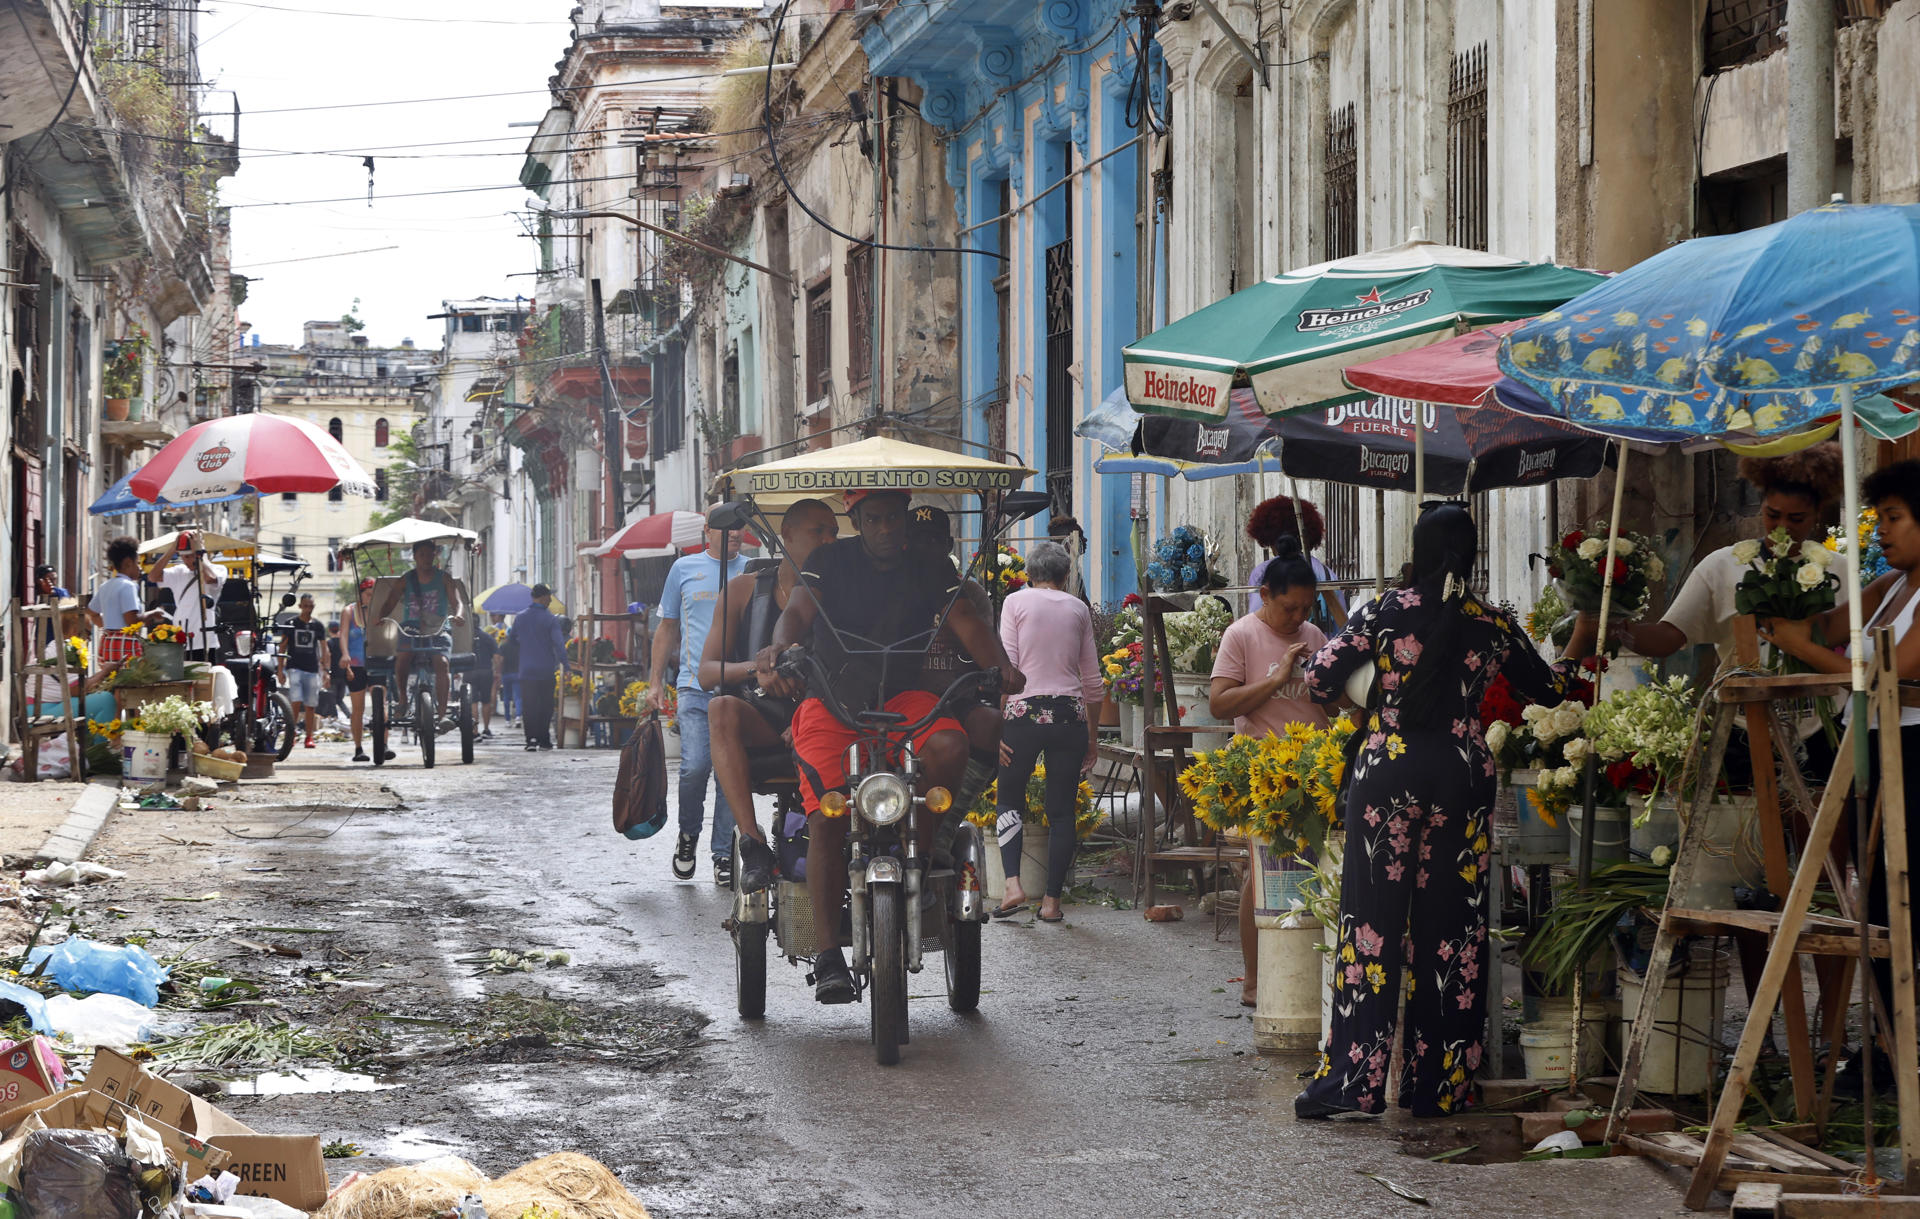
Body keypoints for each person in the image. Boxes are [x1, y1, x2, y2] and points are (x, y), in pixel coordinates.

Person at [1295, 502, 1597, 1119]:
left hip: (1389, 772)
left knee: (1371, 927)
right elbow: (1550, 690)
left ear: (1419, 548)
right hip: (1462, 773)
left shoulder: (1383, 611)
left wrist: (1372, 700)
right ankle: (1438, 1084)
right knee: (1452, 936)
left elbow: (1320, 679)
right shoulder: (1492, 621)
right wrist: (1587, 636)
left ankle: (1354, 1084)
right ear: (1474, 550)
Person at [757, 489, 1023, 1004]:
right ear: (856, 520)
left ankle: (922, 853)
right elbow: (798, 610)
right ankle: (831, 955)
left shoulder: (929, 563)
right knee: (826, 816)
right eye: (874, 519)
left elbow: (965, 618)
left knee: (949, 744)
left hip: (905, 698)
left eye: (894, 518)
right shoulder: (829, 559)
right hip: (833, 697)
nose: (885, 528)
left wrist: (1001, 664)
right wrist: (782, 646)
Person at [1761, 459, 1920, 1070]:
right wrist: (1780, 586)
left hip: (1908, 751)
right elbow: (1830, 625)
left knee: (1898, 898)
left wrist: (1800, 646)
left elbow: (1889, 673)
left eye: (1896, 519)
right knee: (1871, 900)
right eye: (1879, 519)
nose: (1883, 531)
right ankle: (1885, 1042)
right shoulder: (1891, 585)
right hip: (1867, 751)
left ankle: (1900, 1047)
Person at [1209, 538, 1332, 1006]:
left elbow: (1332, 701)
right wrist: (1277, 679)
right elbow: (1221, 704)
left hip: (1314, 767)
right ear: (1265, 596)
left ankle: (1307, 973)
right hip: (1263, 770)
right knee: (1260, 875)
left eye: (1306, 607)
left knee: (1318, 870)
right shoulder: (1241, 635)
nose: (1298, 617)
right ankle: (1256, 978)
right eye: (1288, 607)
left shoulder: (1316, 638)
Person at [700, 498, 838, 879]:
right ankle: (751, 841)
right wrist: (757, 668)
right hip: (761, 715)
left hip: (827, 714)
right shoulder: (743, 589)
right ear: (787, 535)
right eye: (818, 531)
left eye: (833, 533)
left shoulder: (844, 591)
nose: (828, 541)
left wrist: (812, 712)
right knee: (720, 709)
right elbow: (706, 672)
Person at [991, 540, 1104, 923]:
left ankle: (1012, 885)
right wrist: (1093, 736)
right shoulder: (1079, 609)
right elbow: (1093, 680)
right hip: (1070, 715)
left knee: (1008, 798)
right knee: (1061, 812)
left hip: (1024, 711)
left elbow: (1007, 667)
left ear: (1029, 574)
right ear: (1065, 575)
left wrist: (997, 724)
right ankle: (1052, 903)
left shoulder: (1015, 603)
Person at [651, 519, 748, 886]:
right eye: (726, 527)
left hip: (738, 688)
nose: (735, 533)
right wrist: (655, 682)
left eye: (740, 527)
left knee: (730, 773)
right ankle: (688, 834)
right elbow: (668, 628)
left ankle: (723, 854)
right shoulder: (683, 568)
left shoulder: (754, 571)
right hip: (694, 686)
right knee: (694, 767)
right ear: (708, 531)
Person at [908, 504, 1004, 842]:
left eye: (933, 541)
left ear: (947, 545)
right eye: (917, 541)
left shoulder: (971, 593)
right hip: (902, 696)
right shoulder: (897, 589)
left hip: (954, 695)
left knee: (990, 723)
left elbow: (987, 651)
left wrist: (962, 642)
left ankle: (947, 825)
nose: (925, 549)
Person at [375, 539, 466, 723]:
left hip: (438, 627)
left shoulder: (444, 578)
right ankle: (402, 699)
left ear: (435, 555)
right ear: (415, 556)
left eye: (429, 554)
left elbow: (457, 602)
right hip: (412, 627)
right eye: (421, 554)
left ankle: (441, 715)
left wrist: (458, 615)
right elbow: (390, 602)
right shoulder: (406, 579)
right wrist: (380, 616)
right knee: (403, 656)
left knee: (442, 663)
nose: (425, 558)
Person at [1246, 495, 1347, 631]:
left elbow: (1255, 624)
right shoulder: (1326, 572)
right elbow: (1343, 627)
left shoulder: (1263, 572)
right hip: (1325, 648)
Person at [144, 531, 227, 659]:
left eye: (192, 556)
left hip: (203, 640)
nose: (189, 561)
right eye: (185, 557)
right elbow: (153, 577)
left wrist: (200, 555)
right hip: (181, 636)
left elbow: (210, 578)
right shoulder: (179, 571)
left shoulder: (218, 569)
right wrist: (171, 550)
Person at [511, 584, 567, 750]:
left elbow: (512, 639)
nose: (550, 601)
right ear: (542, 597)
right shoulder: (550, 619)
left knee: (529, 705)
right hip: (545, 669)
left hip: (526, 669)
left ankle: (531, 740)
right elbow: (559, 644)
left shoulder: (520, 618)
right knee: (545, 705)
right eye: (549, 598)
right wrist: (566, 665)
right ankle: (544, 739)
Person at [337, 580, 388, 762]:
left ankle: (384, 744)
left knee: (381, 702)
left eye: (375, 595)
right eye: (368, 594)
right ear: (361, 594)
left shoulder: (382, 610)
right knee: (357, 708)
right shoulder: (349, 611)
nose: (372, 598)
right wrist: (345, 655)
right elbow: (343, 635)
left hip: (378, 661)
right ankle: (358, 748)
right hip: (356, 663)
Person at [93, 536, 156, 669]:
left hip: (107, 643)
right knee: (130, 686)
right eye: (137, 563)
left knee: (110, 683)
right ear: (128, 563)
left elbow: (92, 613)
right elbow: (131, 620)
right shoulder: (129, 586)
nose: (140, 568)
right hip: (125, 644)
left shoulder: (105, 585)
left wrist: (110, 626)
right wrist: (151, 614)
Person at [277, 593, 324, 749]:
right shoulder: (290, 623)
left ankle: (309, 737)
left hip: (312, 669)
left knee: (311, 704)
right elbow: (282, 646)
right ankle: (292, 734)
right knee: (296, 701)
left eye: (311, 606)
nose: (308, 609)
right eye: (305, 606)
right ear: (300, 606)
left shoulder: (318, 626)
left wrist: (327, 670)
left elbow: (324, 648)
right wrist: (280, 669)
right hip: (294, 667)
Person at [471, 614, 497, 740]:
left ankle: (475, 731)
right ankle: (486, 729)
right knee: (486, 701)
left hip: (469, 671)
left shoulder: (465, 638)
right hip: (486, 671)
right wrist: (497, 671)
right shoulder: (487, 637)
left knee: (473, 702)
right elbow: (497, 656)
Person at [493, 613, 519, 726]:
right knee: (518, 697)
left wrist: (498, 672)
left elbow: (500, 661)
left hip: (506, 674)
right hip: (518, 673)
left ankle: (507, 720)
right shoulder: (520, 645)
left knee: (507, 698)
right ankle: (518, 717)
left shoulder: (503, 646)